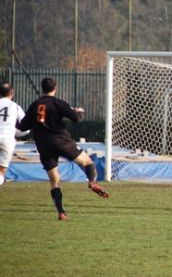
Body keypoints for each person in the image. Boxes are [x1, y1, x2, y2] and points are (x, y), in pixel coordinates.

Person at [17, 77, 109, 221]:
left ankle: (61, 213)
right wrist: (79, 111)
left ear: (42, 88)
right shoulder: (57, 103)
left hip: (43, 145)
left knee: (55, 180)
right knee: (87, 162)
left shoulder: (35, 105)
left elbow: (22, 126)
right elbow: (76, 119)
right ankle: (92, 182)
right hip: (61, 141)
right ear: (55, 88)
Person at [0, 83, 28, 186]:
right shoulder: (15, 106)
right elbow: (26, 127)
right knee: (1, 171)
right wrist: (15, 133)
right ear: (11, 93)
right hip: (7, 140)